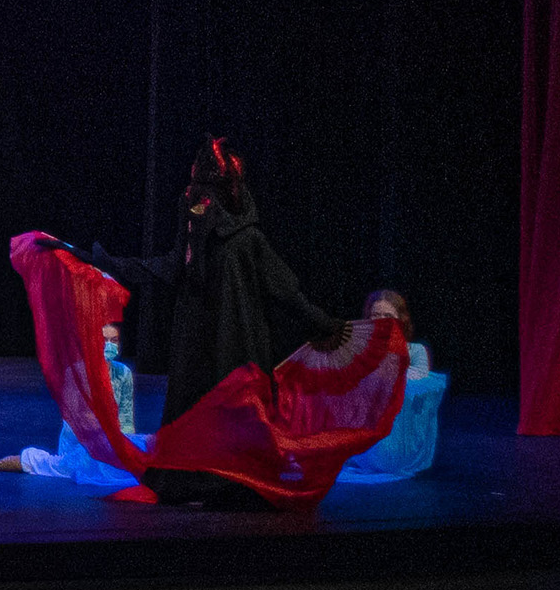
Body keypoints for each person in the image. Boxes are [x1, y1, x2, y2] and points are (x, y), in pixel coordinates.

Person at [77, 137, 345, 507]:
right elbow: (170, 267)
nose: (197, 204)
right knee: (196, 406)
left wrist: (323, 323)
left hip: (235, 345)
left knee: (232, 409)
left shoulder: (247, 240)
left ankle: (230, 484)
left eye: (204, 195)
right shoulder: (199, 236)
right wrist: (110, 263)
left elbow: (285, 291)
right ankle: (195, 481)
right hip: (196, 343)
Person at [0, 323, 146, 484]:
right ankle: (29, 460)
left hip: (112, 441)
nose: (109, 345)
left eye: (114, 340)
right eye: (104, 340)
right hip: (81, 442)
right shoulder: (76, 373)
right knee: (87, 466)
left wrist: (124, 446)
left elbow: (126, 416)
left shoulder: (123, 373)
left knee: (138, 459)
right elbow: (75, 419)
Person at [339, 290, 448, 483]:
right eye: (376, 315)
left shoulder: (415, 350)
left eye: (387, 315)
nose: (381, 320)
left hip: (400, 428)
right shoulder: (360, 349)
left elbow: (419, 388)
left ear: (400, 320)